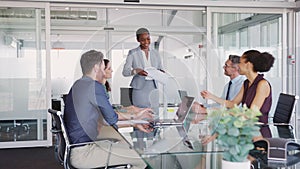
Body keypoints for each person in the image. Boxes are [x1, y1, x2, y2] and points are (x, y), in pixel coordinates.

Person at [64, 50, 153, 169]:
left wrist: (135, 121)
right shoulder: (94, 86)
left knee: (126, 146)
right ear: (96, 67)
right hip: (84, 153)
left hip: (78, 147)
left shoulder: (78, 84)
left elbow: (104, 119)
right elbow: (111, 119)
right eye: (102, 65)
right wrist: (137, 116)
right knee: (141, 159)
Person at [201, 49, 275, 144]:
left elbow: (250, 114)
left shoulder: (262, 84)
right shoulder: (246, 83)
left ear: (248, 65)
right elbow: (232, 104)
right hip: (247, 130)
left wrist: (217, 113)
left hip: (259, 133)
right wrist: (211, 97)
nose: (238, 66)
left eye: (240, 63)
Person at [122, 28, 164, 117]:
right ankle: (138, 131)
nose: (146, 42)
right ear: (138, 40)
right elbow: (125, 72)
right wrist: (136, 71)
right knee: (139, 114)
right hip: (139, 88)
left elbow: (161, 69)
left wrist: (160, 72)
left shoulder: (155, 53)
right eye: (142, 40)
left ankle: (153, 131)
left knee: (154, 114)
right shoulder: (133, 52)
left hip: (153, 87)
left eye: (148, 39)